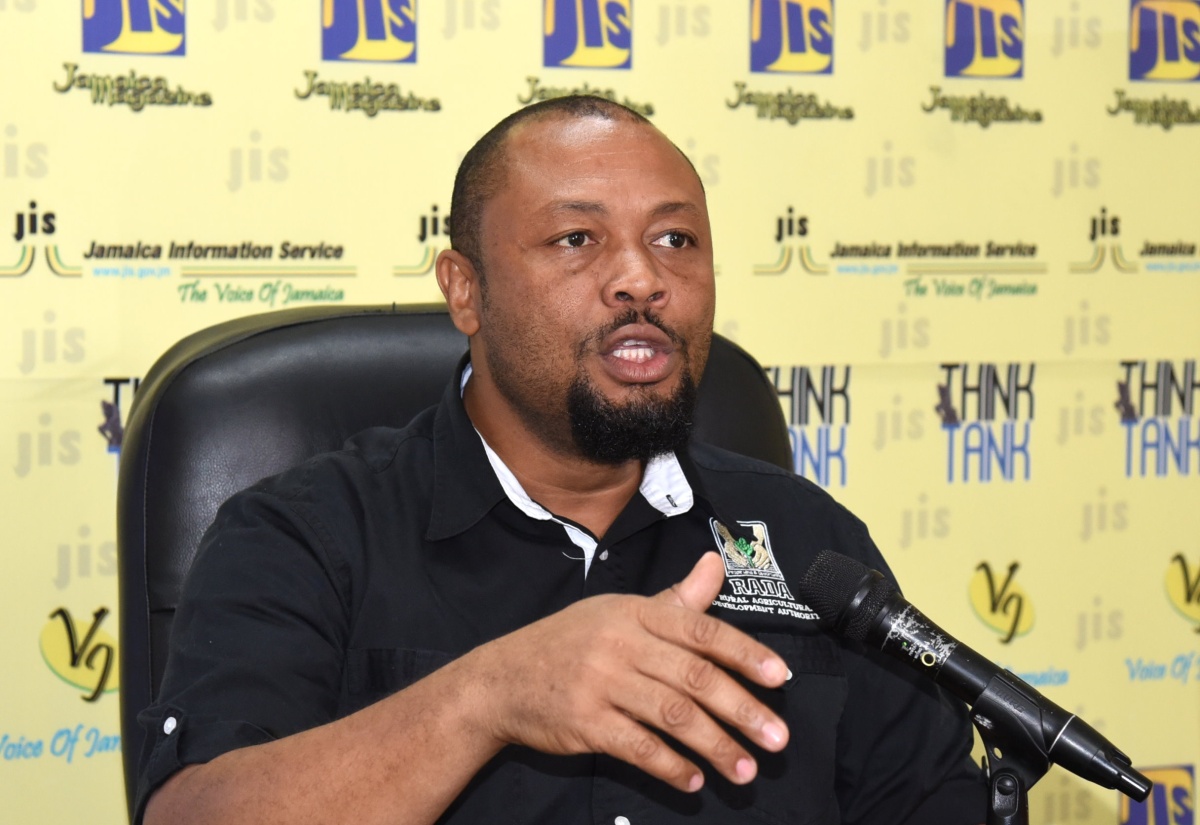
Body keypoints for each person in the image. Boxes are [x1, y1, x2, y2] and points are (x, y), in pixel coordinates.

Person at [138, 96, 986, 825]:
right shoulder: (307, 535)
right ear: (464, 290)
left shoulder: (808, 544)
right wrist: (487, 696)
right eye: (578, 237)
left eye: (677, 240)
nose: (640, 279)